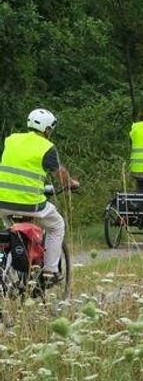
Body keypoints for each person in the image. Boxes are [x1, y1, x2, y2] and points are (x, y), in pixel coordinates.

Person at [0, 109, 79, 284]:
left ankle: (11, 276)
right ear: (48, 130)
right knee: (57, 225)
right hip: (30, 205)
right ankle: (50, 271)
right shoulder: (46, 147)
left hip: (2, 203)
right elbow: (61, 174)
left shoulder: (11, 140)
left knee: (13, 234)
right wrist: (70, 184)